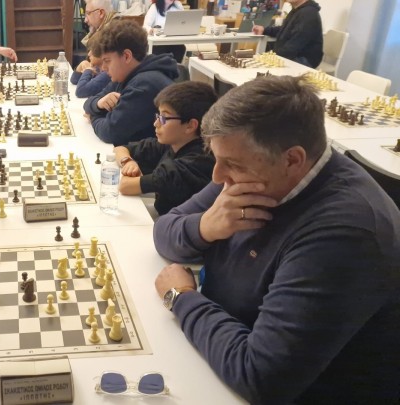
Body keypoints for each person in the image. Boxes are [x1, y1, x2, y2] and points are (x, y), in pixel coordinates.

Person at [153, 76, 400, 404]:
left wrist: (181, 297)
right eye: (216, 158)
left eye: (230, 164)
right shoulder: (249, 174)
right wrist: (205, 227)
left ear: (292, 160)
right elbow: (164, 231)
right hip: (220, 350)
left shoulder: (345, 232)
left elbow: (260, 376)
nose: (217, 176)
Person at [114, 81, 217, 217]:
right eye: (158, 116)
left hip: (178, 225)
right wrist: (128, 161)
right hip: (166, 218)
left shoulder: (194, 164)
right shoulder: (174, 142)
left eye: (164, 118)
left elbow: (125, 186)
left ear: (190, 126)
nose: (156, 123)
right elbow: (120, 149)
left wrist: (132, 175)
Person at [83, 19, 177, 146]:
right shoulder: (124, 75)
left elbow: (110, 132)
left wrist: (93, 116)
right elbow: (89, 102)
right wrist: (98, 104)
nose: (103, 68)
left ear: (127, 56)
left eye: (107, 61)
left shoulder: (143, 85)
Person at [252, 0, 323, 68]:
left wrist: (270, 56)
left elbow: (294, 46)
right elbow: (286, 30)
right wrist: (265, 30)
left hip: (301, 60)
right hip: (291, 56)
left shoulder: (308, 13)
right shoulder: (297, 10)